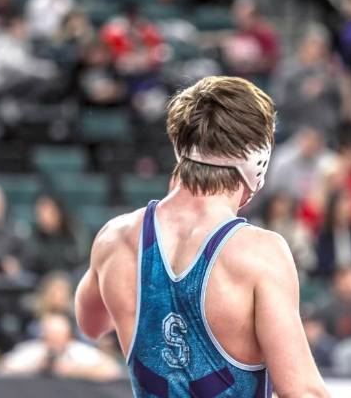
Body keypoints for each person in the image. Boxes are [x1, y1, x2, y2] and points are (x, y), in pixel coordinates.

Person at [75, 76, 328, 397]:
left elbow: (91, 324)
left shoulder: (116, 238)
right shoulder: (258, 253)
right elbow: (302, 391)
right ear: (258, 158)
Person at [0, 312, 121, 381]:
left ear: (68, 337)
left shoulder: (77, 351)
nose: (54, 340)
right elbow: (2, 367)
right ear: (44, 336)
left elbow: (111, 369)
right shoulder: (33, 350)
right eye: (51, 335)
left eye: (58, 335)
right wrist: (38, 366)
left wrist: (73, 371)